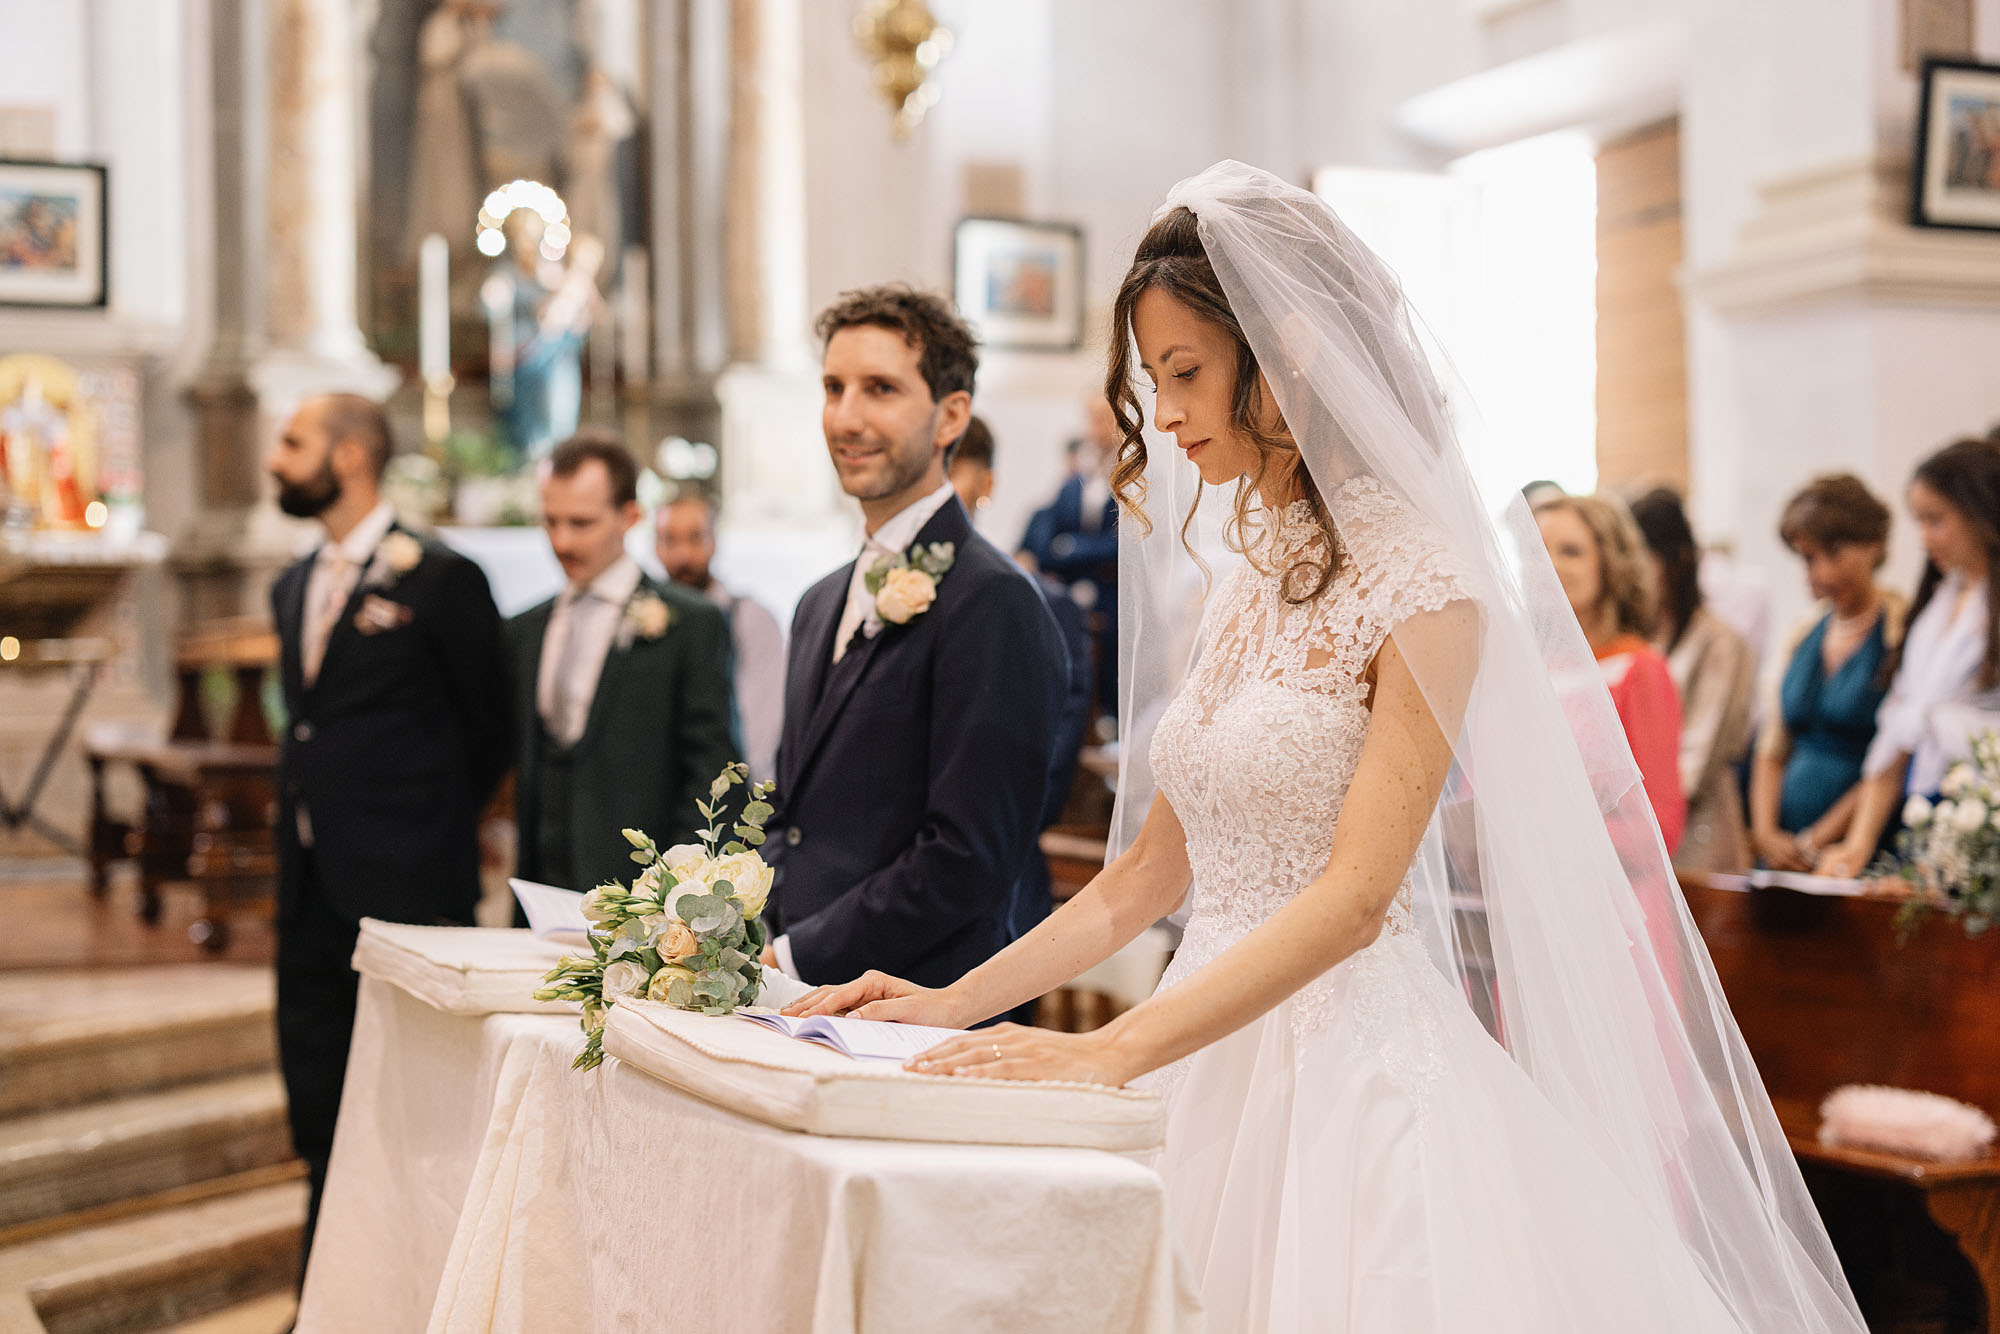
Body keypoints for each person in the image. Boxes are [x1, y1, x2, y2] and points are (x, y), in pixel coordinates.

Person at [786, 163, 1865, 1333]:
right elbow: (1143, 878)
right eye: (1155, 384)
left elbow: (1355, 896)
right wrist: (949, 1002)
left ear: (1286, 350)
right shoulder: (1250, 575)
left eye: (1187, 373)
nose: (1169, 415)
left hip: (1345, 1072)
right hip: (1199, 1044)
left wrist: (1106, 1051)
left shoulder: (1426, 574)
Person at [760, 285, 1069, 991]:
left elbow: (967, 856)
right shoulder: (817, 604)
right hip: (790, 996)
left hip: (917, 1004)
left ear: (949, 415)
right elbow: (794, 819)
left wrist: (800, 953)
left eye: (880, 389)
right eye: (834, 388)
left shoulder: (992, 602)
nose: (846, 417)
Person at [265, 393, 511, 1267]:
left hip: (407, 888)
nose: (275, 458)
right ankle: (324, 1297)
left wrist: (425, 827)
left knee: (418, 1114)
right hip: (306, 891)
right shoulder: (291, 584)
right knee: (319, 1107)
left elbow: (489, 726)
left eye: (292, 442)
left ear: (351, 459)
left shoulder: (441, 579)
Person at [507, 432, 737, 893]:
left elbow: (711, 771)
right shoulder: (525, 629)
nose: (562, 541)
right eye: (550, 521)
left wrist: (675, 893)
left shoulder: (689, 623)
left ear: (630, 516)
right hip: (540, 887)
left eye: (581, 522)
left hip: (640, 896)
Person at [1817, 439, 2000, 877]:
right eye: (1919, 521)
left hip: (1984, 811)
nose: (1923, 537)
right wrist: (1857, 844)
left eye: (1935, 520)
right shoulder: (1936, 608)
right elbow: (1897, 734)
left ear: (1980, 513)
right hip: (1927, 806)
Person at [951, 414, 1095, 945]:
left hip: (999, 880)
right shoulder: (862, 601)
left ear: (985, 485)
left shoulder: (1046, 606)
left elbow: (1051, 758)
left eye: (953, 476)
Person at [1750, 475, 1905, 871]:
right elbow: (1773, 747)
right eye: (1808, 558)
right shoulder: (1804, 633)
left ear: (1873, 544)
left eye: (1833, 553)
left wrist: (1815, 840)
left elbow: (1893, 757)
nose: (1819, 573)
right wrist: (1767, 833)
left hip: (1862, 844)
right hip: (1786, 847)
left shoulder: (1900, 630)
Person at [1534, 492, 1687, 852]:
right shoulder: (1524, 671)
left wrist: (1549, 838)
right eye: (1537, 552)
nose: (1548, 566)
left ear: (1611, 564)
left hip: (1616, 894)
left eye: (1570, 551)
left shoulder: (1639, 669)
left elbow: (1660, 823)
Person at [1631, 488, 1755, 871]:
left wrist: (1628, 815)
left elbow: (1700, 755)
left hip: (1697, 830)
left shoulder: (1720, 642)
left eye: (1642, 559)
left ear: (1678, 559)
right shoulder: (1637, 639)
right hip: (1636, 827)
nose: (1633, 574)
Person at [655, 490, 786, 784]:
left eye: (695, 537)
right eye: (669, 539)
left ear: (714, 541)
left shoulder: (750, 618)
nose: (683, 555)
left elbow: (762, 727)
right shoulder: (640, 617)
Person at [1021, 398, 1122, 719]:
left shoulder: (1131, 472)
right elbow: (1050, 538)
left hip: (1112, 592)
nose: (1094, 426)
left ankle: (1109, 719)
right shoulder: (1077, 475)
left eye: (1102, 418)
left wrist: (1074, 549)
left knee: (1110, 666)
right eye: (1090, 417)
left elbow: (1123, 543)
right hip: (1073, 591)